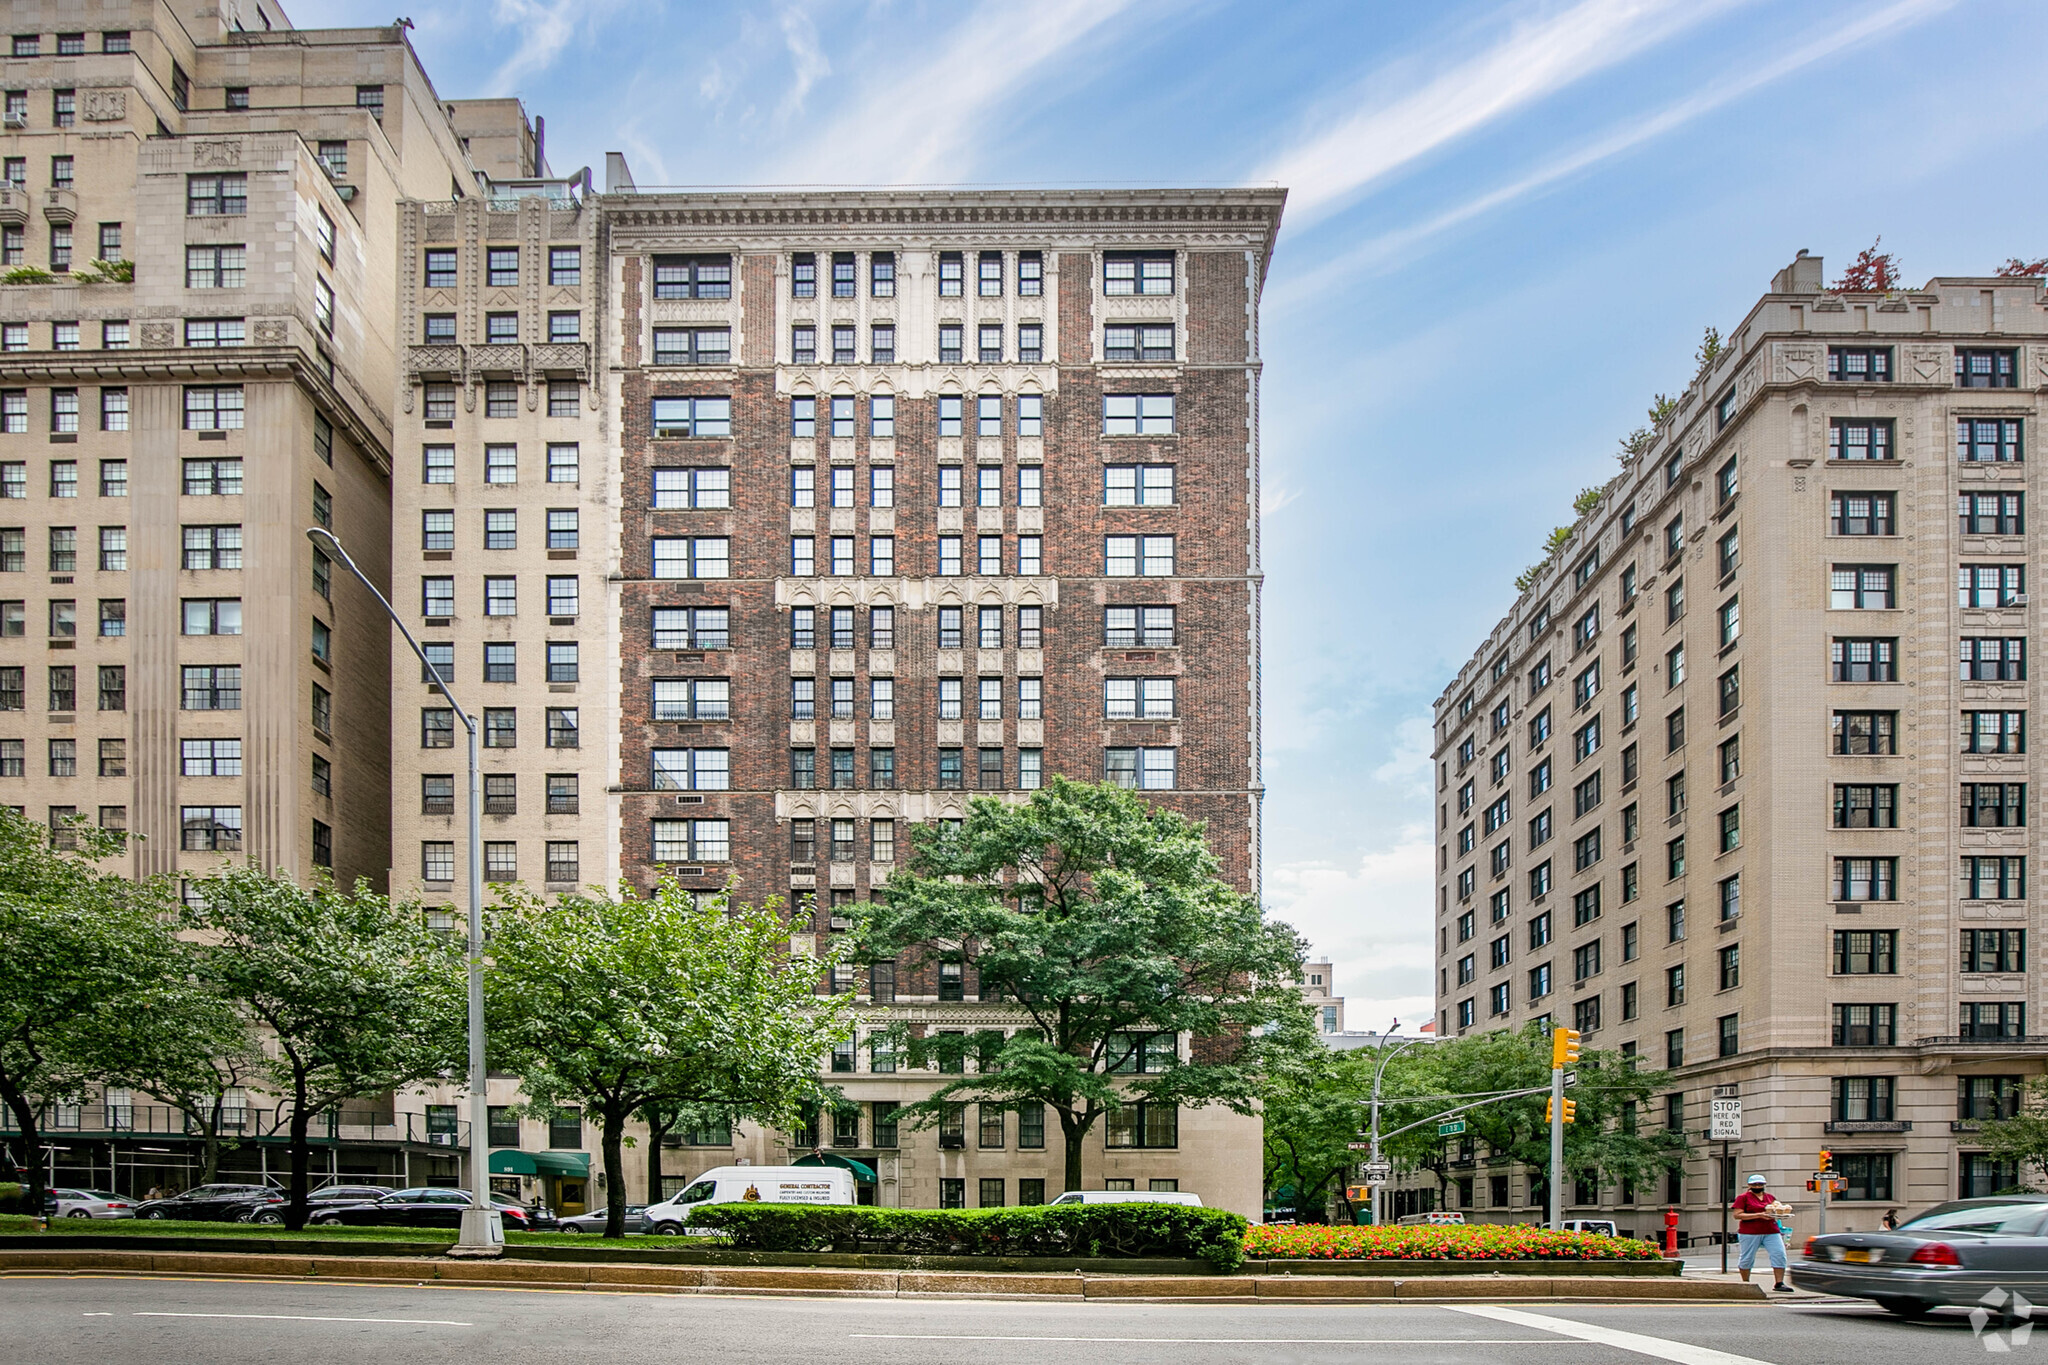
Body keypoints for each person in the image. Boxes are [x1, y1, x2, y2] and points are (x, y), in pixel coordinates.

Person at [1731, 1173, 1793, 1292]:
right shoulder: (1743, 1198)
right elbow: (1737, 1215)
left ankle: (1779, 1282)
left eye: (1760, 1184)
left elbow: (1776, 1210)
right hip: (1750, 1232)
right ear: (1749, 1185)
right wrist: (1758, 1215)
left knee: (1779, 1254)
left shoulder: (1770, 1197)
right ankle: (1746, 1282)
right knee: (1747, 1257)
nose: (1758, 1186)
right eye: (1755, 1184)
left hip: (1771, 1230)